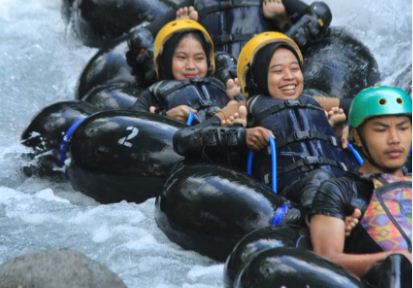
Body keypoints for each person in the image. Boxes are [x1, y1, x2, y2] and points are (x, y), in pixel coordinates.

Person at [173, 32, 358, 215]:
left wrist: (348, 129)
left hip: (339, 185)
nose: (289, 77)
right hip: (292, 195)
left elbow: (365, 107)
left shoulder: (315, 102)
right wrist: (242, 136)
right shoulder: (241, 107)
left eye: (294, 69)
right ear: (257, 76)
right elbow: (184, 139)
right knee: (320, 181)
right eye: (277, 71)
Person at [309, 86, 412, 286]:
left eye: (403, 128)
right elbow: (325, 260)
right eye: (381, 130)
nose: (394, 139)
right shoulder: (339, 190)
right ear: (356, 136)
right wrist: (392, 259)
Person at [132, 19, 241, 124]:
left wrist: (237, 99)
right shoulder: (153, 93)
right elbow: (133, 125)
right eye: (182, 57)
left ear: (208, 60)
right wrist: (165, 117)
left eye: (199, 58)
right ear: (165, 60)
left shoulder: (222, 86)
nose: (191, 66)